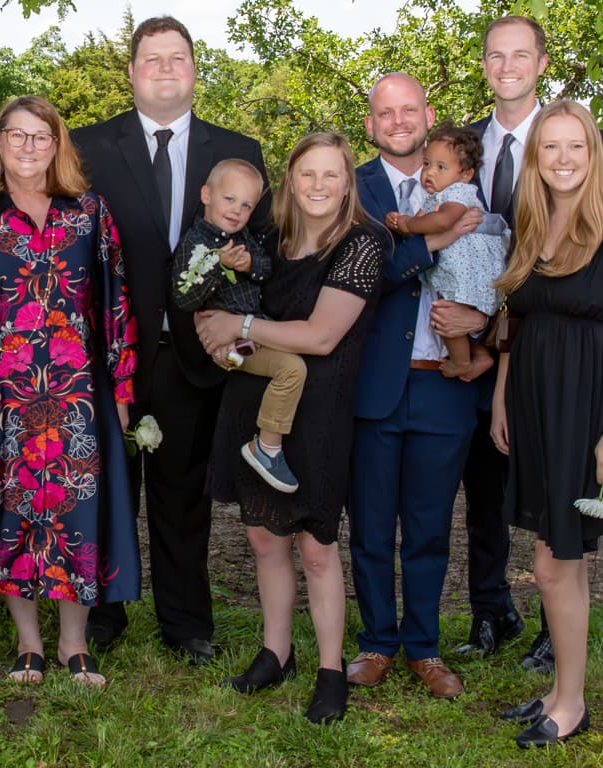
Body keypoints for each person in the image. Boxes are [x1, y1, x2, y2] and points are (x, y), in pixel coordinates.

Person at [72, 16, 271, 664]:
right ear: (131, 72)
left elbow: (259, 247)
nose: (164, 68)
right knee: (106, 486)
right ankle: (101, 615)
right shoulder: (86, 148)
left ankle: (186, 624)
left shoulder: (235, 152)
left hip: (193, 354)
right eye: (151, 58)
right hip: (109, 353)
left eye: (177, 57)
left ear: (193, 69)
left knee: (181, 493)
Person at [0, 96, 140, 687]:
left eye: (42, 136)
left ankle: (74, 645)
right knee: (14, 516)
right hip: (2, 398)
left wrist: (124, 388)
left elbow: (115, 302)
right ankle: (28, 645)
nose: (29, 147)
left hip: (80, 393)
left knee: (79, 512)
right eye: (17, 135)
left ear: (58, 145)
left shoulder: (89, 213)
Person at [196, 132, 385, 724]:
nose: (319, 186)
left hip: (320, 410)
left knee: (317, 546)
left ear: (347, 181)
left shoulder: (363, 242)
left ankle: (332, 671)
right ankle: (277, 651)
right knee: (262, 537)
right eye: (307, 175)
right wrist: (216, 333)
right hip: (254, 394)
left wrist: (239, 322)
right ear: (291, 179)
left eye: (332, 175)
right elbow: (219, 297)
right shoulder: (267, 236)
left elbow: (321, 335)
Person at [490, 99, 603, 748]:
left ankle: (572, 704)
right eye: (550, 147)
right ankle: (559, 690)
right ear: (535, 158)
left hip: (589, 410)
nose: (562, 160)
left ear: (593, 156)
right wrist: (503, 396)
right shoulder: (532, 221)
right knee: (559, 557)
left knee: (554, 560)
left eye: (575, 147)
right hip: (535, 406)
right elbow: (518, 320)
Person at [459, 14, 603, 668]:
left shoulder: (577, 142)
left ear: (541, 63)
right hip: (476, 349)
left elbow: (600, 248)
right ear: (483, 66)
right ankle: (490, 609)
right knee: (483, 488)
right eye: (494, 56)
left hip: (558, 353)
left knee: (553, 494)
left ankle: (558, 635)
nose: (506, 67)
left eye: (519, 55)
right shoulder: (462, 144)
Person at [345, 72, 485, 699]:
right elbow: (360, 276)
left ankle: (423, 647)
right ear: (370, 124)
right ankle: (376, 641)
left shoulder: (467, 188)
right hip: (374, 383)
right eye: (385, 112)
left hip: (443, 386)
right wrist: (438, 241)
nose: (398, 121)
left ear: (428, 115)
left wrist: (482, 321)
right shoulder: (353, 189)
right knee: (372, 525)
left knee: (429, 526)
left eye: (409, 110)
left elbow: (504, 265)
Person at [173, 158, 305, 494]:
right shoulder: (193, 243)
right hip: (224, 338)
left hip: (253, 329)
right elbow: (184, 298)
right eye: (229, 199)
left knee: (295, 347)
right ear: (206, 195)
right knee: (293, 368)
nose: (236, 211)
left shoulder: (243, 236)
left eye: (246, 205)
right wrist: (218, 265)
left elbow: (265, 269)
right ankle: (268, 446)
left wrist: (248, 265)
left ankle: (239, 355)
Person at [384, 121, 505, 380]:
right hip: (453, 270)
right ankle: (478, 353)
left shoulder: (458, 194)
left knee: (448, 315)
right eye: (427, 164)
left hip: (468, 273)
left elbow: (441, 222)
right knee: (447, 313)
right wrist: (401, 223)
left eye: (441, 167)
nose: (430, 173)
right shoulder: (437, 196)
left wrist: (408, 224)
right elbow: (420, 222)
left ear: (465, 174)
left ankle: (462, 362)